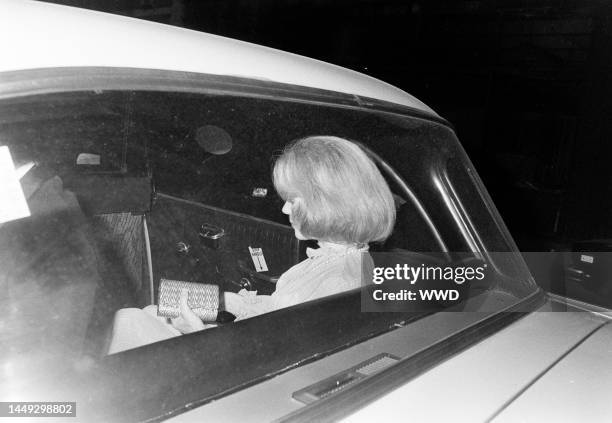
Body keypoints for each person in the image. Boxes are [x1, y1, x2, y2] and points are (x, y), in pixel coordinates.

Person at [107, 136, 395, 353]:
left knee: (128, 320)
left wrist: (198, 333)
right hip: (253, 345)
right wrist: (226, 301)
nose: (284, 210)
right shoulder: (338, 260)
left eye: (292, 201)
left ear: (327, 205)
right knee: (150, 312)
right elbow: (281, 311)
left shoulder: (338, 281)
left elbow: (277, 356)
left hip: (239, 366)